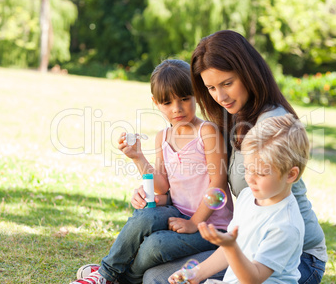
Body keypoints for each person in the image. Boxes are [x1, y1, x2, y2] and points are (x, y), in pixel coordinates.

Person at [143, 30, 327, 284]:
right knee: (154, 273)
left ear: (248, 73)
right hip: (245, 239)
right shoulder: (234, 116)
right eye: (211, 88)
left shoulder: (271, 126)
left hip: (294, 259)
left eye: (227, 83)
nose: (220, 97)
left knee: (158, 278)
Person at [69, 59, 233, 284]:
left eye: (185, 98)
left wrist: (194, 222)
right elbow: (162, 185)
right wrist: (138, 157)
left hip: (209, 227)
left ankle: (113, 277)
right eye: (167, 102)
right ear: (156, 103)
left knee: (156, 245)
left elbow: (219, 182)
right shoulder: (163, 137)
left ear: (196, 94)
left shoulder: (207, 132)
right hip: (176, 212)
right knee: (143, 216)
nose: (177, 108)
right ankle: (106, 273)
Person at [169, 113, 308, 283]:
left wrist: (231, 246)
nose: (250, 178)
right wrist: (196, 274)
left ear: (291, 174)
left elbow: (254, 278)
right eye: (248, 169)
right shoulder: (248, 196)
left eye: (261, 173)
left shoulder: (285, 225)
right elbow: (229, 248)